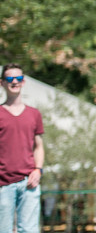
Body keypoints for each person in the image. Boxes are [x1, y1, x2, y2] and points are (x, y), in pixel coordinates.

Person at [0, 64, 44, 233]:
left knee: (29, 230)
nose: (15, 82)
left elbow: (38, 146)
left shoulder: (34, 114)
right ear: (2, 83)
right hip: (3, 185)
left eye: (18, 78)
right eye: (10, 79)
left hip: (29, 183)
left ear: (23, 81)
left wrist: (38, 170)